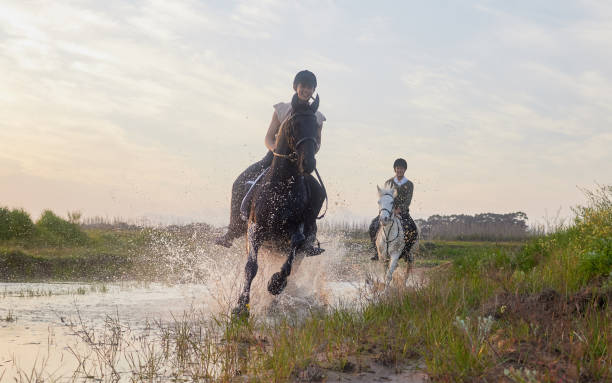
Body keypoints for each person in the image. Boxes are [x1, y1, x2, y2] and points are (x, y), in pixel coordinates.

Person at [215, 70, 326, 247]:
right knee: (239, 183)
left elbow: (317, 144)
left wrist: (306, 154)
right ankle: (233, 230)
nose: (306, 90)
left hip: (300, 163)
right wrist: (275, 150)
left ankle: (308, 234)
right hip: (274, 159)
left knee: (319, 192)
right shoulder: (282, 109)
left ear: (314, 90)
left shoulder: (317, 117)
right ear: (296, 87)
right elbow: (268, 138)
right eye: (303, 86)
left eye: (310, 87)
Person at [369, 158, 418, 261]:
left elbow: (408, 201)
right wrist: (387, 209)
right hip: (388, 211)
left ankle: (407, 252)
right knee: (373, 225)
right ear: (395, 169)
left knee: (412, 228)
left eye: (401, 168)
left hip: (402, 212)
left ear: (404, 170)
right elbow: (384, 197)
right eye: (398, 168)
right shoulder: (389, 182)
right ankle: (376, 251)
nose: (399, 170)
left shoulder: (409, 184)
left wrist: (399, 209)